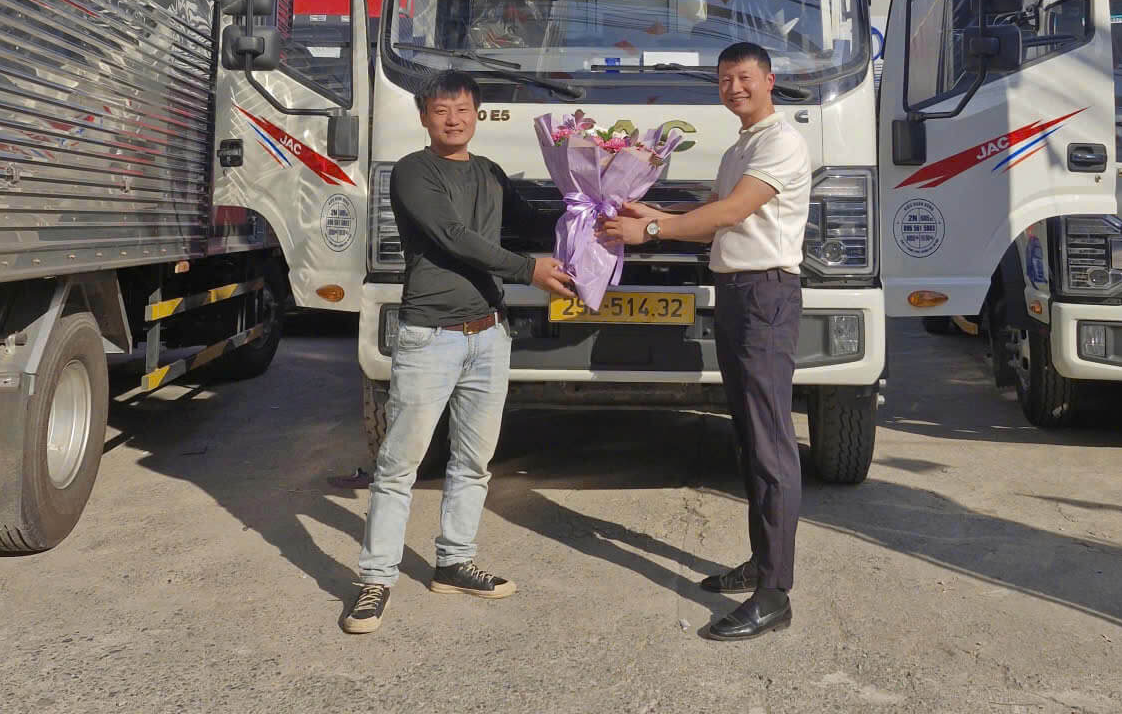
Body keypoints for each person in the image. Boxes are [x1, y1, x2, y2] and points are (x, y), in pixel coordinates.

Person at [341, 70, 575, 634]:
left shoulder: (490, 173)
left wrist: (593, 219)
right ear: (424, 116)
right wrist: (528, 271)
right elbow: (452, 236)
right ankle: (375, 578)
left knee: (473, 462)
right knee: (399, 465)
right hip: (431, 337)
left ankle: (454, 562)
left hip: (489, 335)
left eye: (464, 109)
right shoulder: (413, 172)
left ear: (478, 114)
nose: (454, 119)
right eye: (442, 110)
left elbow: (530, 224)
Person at [602, 41, 811, 641]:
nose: (734, 88)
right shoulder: (742, 145)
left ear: (769, 79)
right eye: (724, 80)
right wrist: (650, 209)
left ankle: (774, 594)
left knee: (770, 442)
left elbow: (730, 214)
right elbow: (711, 214)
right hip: (739, 294)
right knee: (749, 435)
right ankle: (762, 562)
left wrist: (650, 229)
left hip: (766, 295)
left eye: (744, 77)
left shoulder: (780, 142)